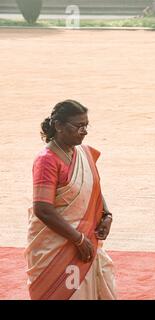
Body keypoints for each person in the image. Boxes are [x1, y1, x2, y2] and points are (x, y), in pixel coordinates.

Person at [26, 99, 116, 300]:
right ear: (58, 126)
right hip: (58, 247)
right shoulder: (47, 160)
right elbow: (42, 208)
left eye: (86, 125)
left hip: (86, 241)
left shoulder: (84, 153)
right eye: (78, 126)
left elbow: (94, 188)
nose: (84, 131)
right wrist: (77, 238)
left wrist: (106, 215)